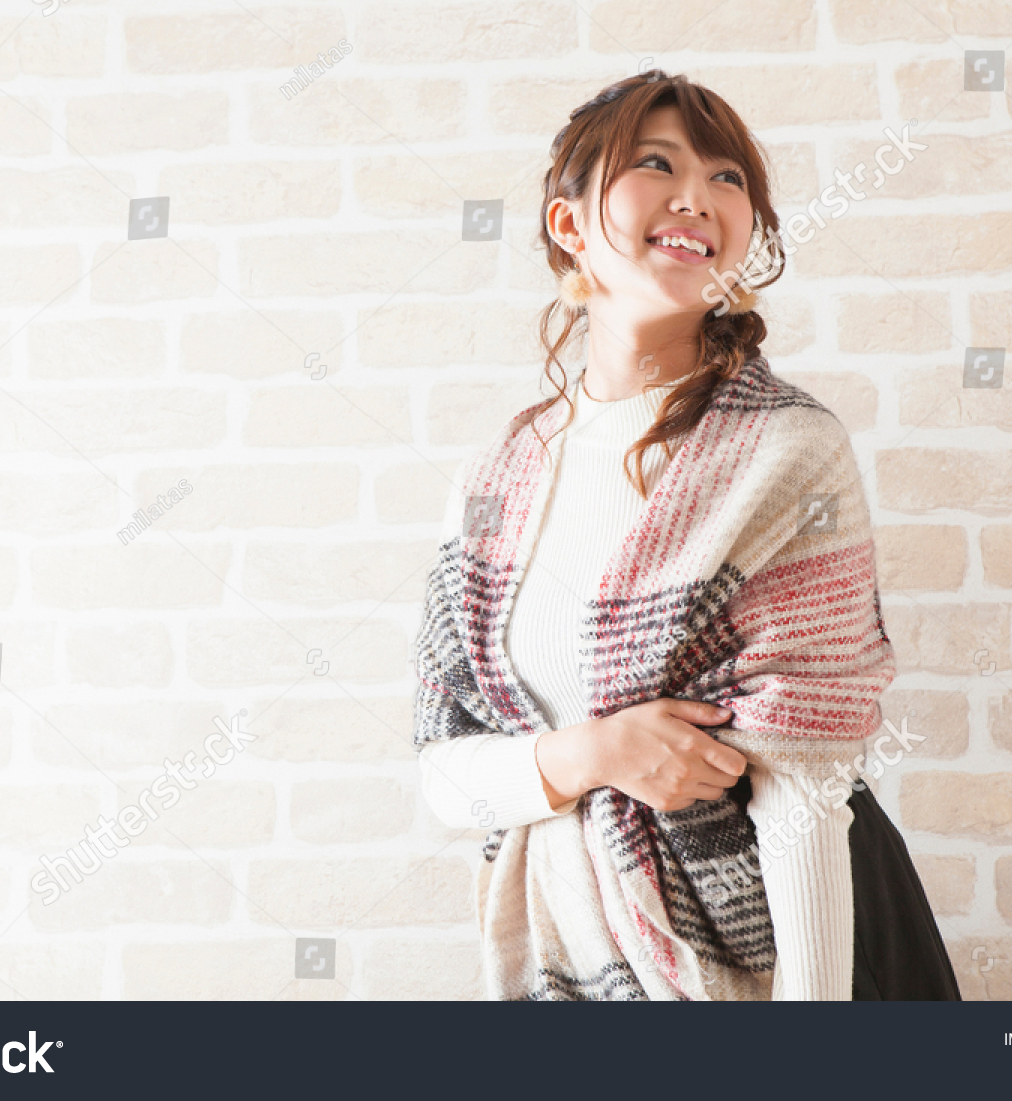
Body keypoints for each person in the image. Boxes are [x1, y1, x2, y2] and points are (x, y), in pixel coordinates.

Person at [410, 72, 960, 1001]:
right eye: (654, 163)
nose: (696, 197)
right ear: (570, 225)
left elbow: (806, 776)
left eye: (728, 178)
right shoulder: (497, 479)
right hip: (578, 954)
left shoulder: (784, 449)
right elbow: (444, 773)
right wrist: (595, 753)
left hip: (794, 948)